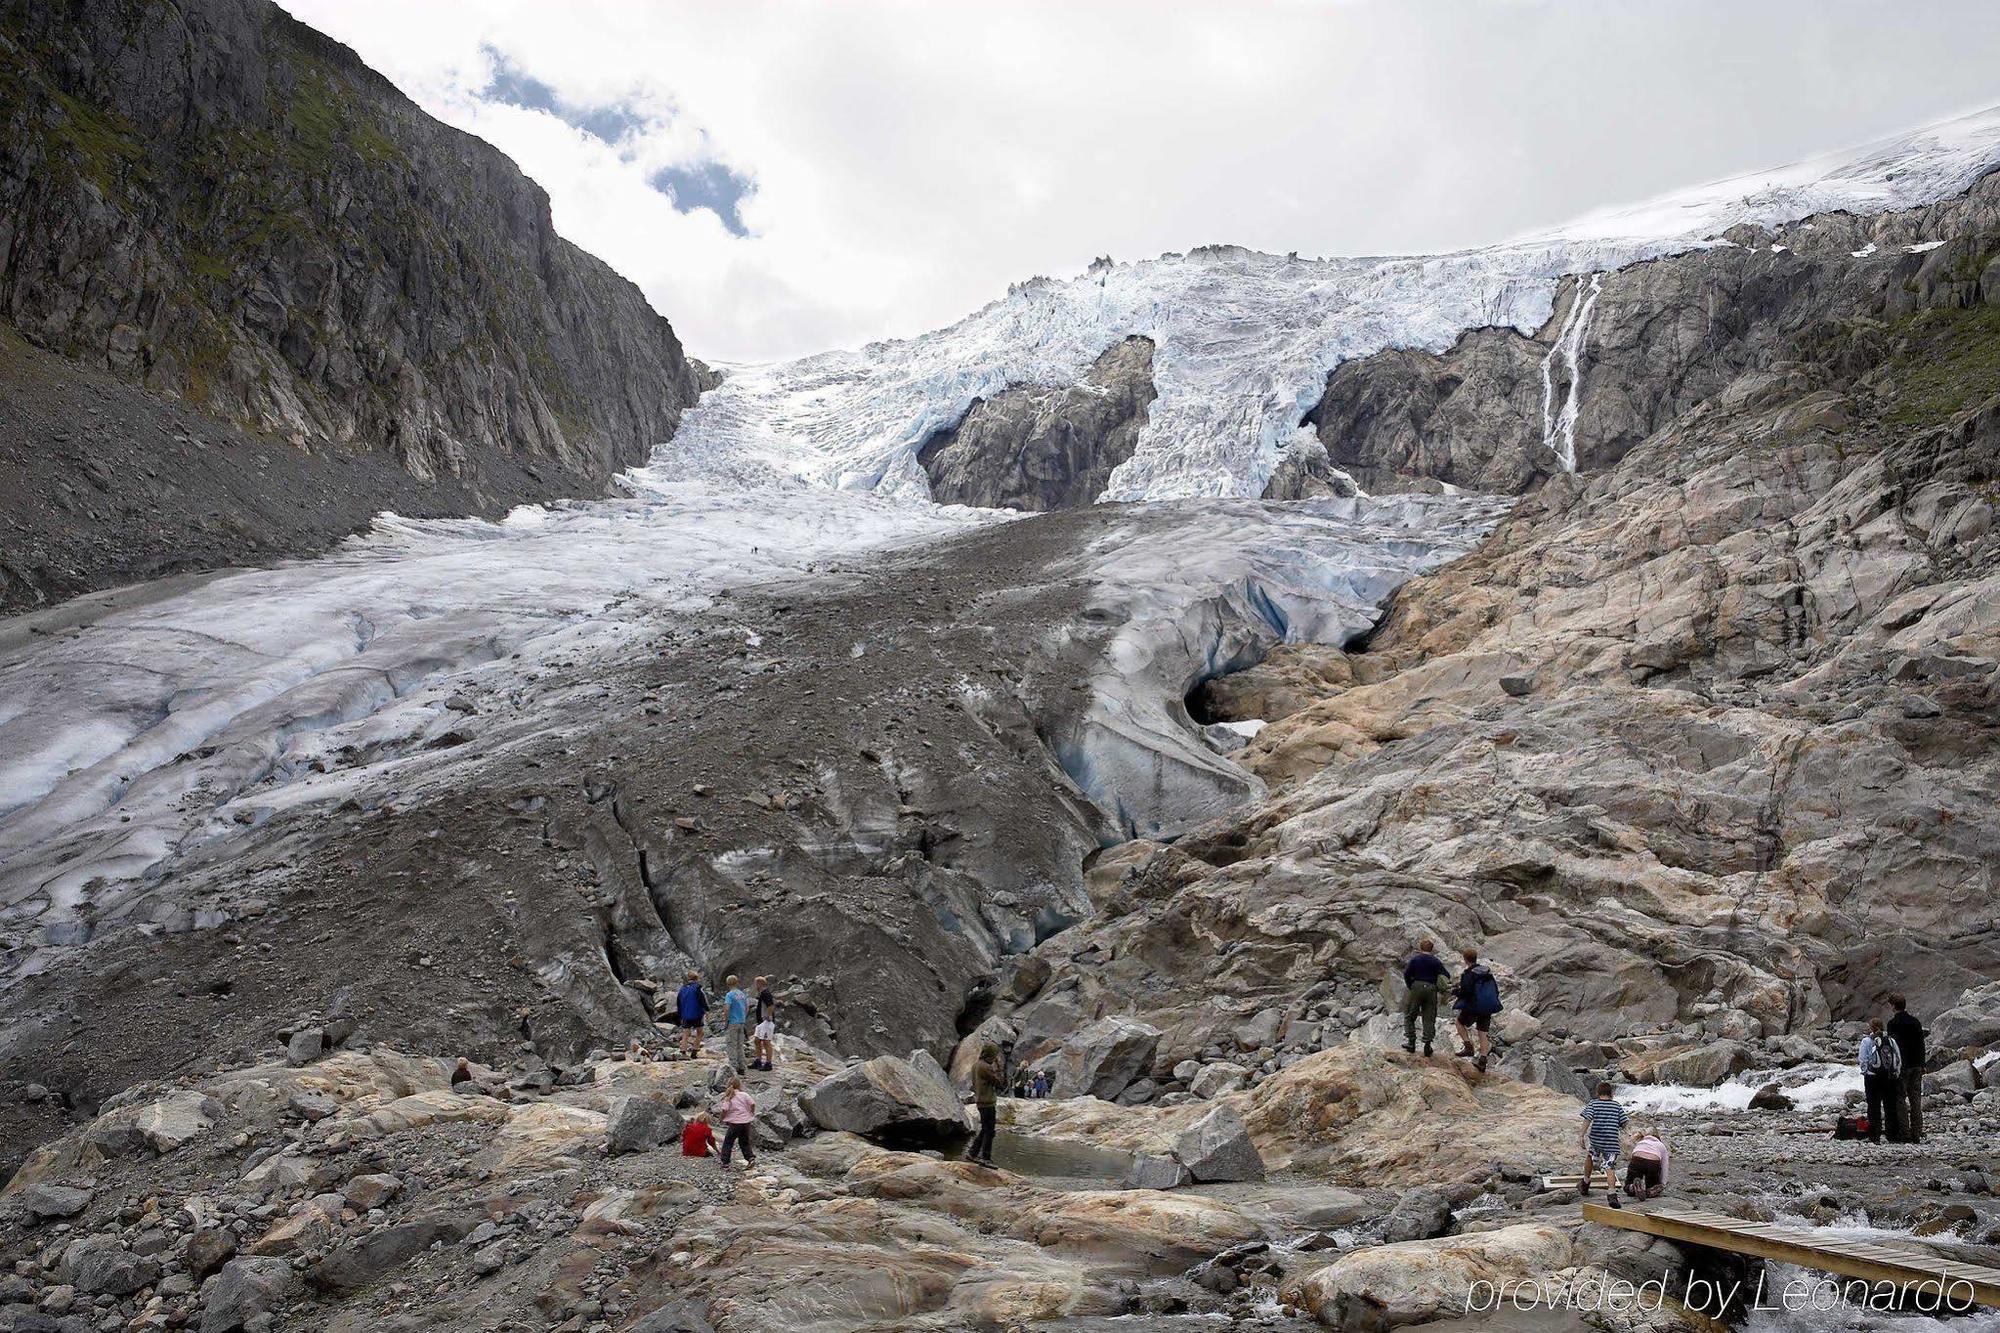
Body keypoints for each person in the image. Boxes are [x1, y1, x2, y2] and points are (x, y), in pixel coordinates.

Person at [1453, 948, 1502, 1073]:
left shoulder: (1469, 974)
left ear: (1465, 959)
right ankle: (1483, 1061)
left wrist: (1456, 992)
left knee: (1459, 1022)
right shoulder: (1486, 972)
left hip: (1474, 1006)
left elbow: (1466, 992)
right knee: (1482, 1033)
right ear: (1476, 958)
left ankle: (1468, 1047)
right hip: (1487, 1007)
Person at [1579, 1081, 1629, 1199]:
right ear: (1611, 1093)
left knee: (1590, 1157)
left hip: (1597, 1139)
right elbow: (1625, 1122)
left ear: (1597, 1092)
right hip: (1611, 1141)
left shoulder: (1593, 1104)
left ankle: (1585, 1183)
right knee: (1609, 1166)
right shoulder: (1616, 1105)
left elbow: (1587, 1118)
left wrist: (1582, 1134)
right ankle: (1611, 1192)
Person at [1887, 995, 1926, 1144]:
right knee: (1916, 1099)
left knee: (1900, 1099)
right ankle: (1917, 1132)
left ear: (1893, 1006)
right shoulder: (1915, 1022)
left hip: (1902, 1066)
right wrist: (1922, 1064)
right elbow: (1921, 1044)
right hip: (1916, 1065)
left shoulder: (1892, 1023)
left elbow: (1892, 1048)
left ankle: (1905, 1133)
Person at [1403, 938, 1450, 1056]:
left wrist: (1410, 985)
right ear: (1432, 949)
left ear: (1420, 948)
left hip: (1416, 987)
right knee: (1429, 1016)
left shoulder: (1415, 960)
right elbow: (1446, 975)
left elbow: (1406, 974)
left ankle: (1411, 1042)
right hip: (1431, 988)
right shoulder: (1436, 961)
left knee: (1410, 1015)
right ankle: (1427, 1045)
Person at [1860, 1018, 1904, 1144]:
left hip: (1872, 1077)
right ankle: (1892, 1135)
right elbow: (1898, 1058)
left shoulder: (1867, 1041)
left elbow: (1863, 1060)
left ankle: (1875, 1136)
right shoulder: (1890, 1040)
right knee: (1890, 1106)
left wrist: (1865, 1073)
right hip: (1889, 1077)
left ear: (1871, 1028)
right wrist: (1895, 1073)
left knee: (1873, 1107)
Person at [968, 1042, 1003, 1167]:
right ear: (990, 1054)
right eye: (994, 1054)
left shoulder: (976, 1065)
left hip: (980, 1101)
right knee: (990, 1131)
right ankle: (986, 1158)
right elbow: (999, 1083)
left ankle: (972, 1153)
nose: (995, 1057)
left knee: (985, 1129)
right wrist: (998, 1067)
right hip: (987, 1102)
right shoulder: (986, 1067)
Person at [715, 1077, 758, 1168]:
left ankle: (725, 1162)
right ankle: (750, 1158)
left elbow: (725, 1109)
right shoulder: (744, 1094)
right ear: (739, 1085)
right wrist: (751, 1112)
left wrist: (721, 1118)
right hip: (746, 1122)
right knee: (744, 1141)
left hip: (735, 1123)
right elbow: (753, 1103)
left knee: (728, 1142)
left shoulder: (728, 1096)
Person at [1625, 1127, 1669, 1199]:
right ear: (1657, 1136)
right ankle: (1650, 1191)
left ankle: (1633, 1186)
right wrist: (1662, 1183)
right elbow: (1664, 1165)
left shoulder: (1641, 1142)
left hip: (1636, 1160)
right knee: (1652, 1184)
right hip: (1652, 1163)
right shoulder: (1660, 1145)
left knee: (1628, 1185)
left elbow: (1633, 1156)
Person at [675, 970, 708, 1059]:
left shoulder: (682, 989)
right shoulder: (698, 988)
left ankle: (683, 1053)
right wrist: (706, 1010)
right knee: (700, 1032)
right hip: (697, 1014)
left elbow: (678, 1002)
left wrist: (680, 1014)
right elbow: (702, 1000)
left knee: (685, 1034)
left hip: (685, 1014)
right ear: (696, 978)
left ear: (688, 978)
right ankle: (694, 1051)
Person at [722, 974, 749, 1074]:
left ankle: (733, 1066)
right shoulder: (742, 994)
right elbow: (747, 1007)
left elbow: (727, 1008)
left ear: (727, 984)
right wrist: (743, 1017)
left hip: (732, 1022)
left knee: (731, 1045)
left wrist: (726, 1019)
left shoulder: (729, 995)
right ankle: (742, 1066)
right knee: (740, 1045)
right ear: (737, 982)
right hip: (741, 1021)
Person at [753, 975, 777, 1071]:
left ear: (759, 983)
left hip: (766, 1021)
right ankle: (758, 1060)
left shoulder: (766, 993)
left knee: (766, 1042)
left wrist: (769, 1015)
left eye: (756, 983)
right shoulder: (762, 993)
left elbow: (770, 1005)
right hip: (761, 1022)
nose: (755, 985)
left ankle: (768, 1063)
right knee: (757, 1040)